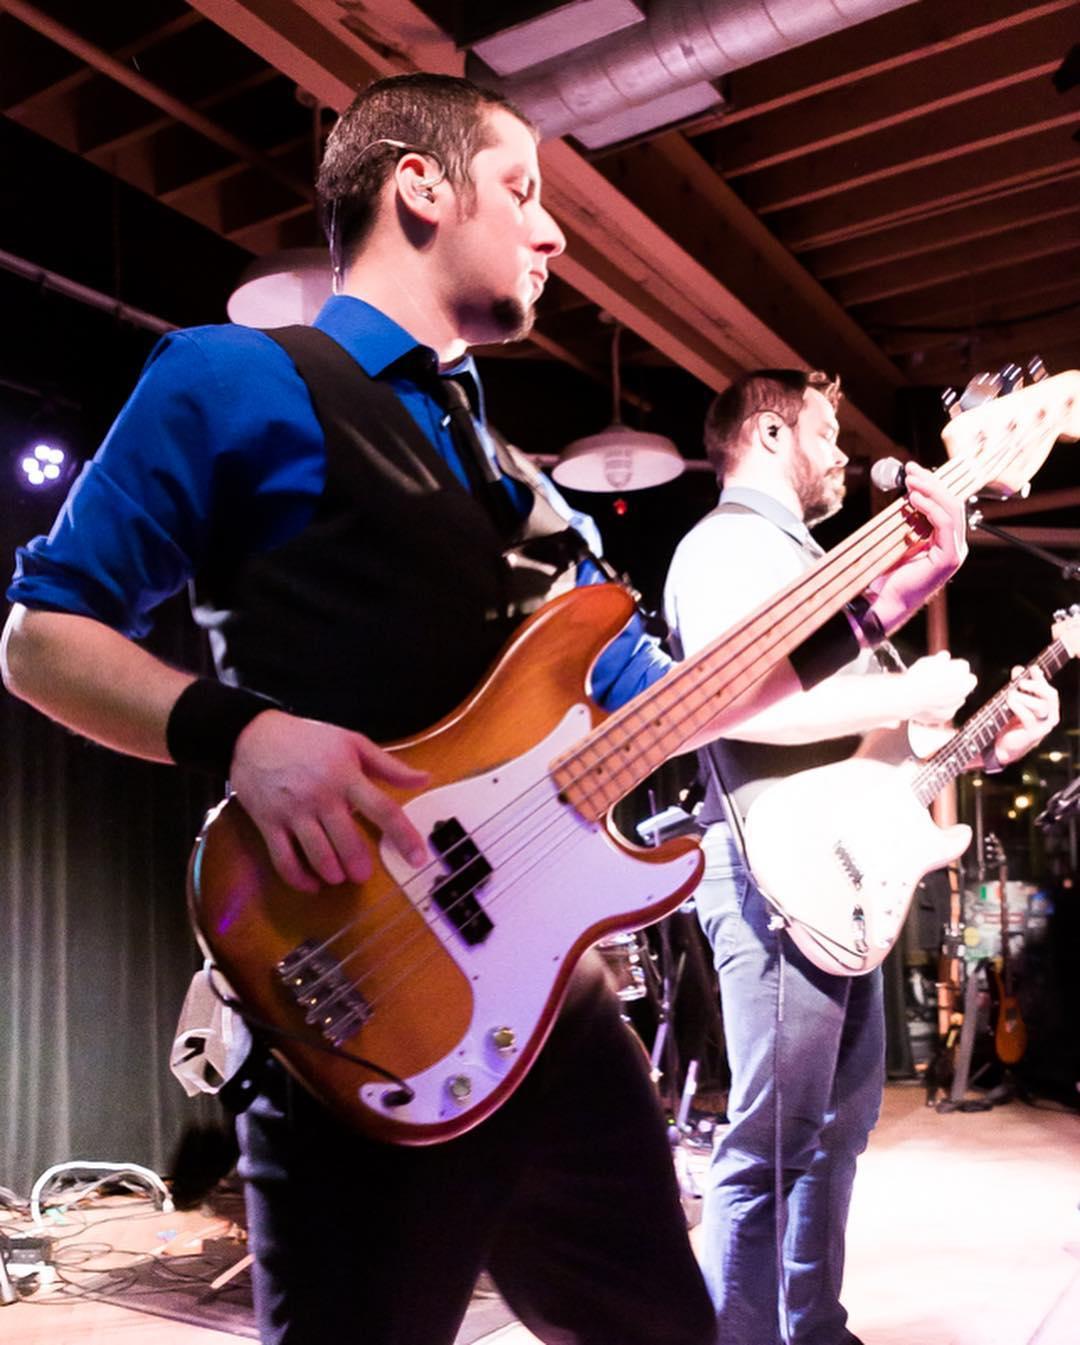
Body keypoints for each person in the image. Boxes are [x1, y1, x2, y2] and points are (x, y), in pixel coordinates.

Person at [0, 71, 997, 1345]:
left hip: (558, 1021)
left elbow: (675, 707)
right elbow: (42, 638)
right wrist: (238, 733)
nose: (555, 231)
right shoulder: (235, 378)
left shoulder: (533, 495)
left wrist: (880, 594)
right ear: (420, 186)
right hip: (363, 1007)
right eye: (522, 190)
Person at [663, 368, 1061, 1345]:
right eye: (826, 431)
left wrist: (990, 741)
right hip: (773, 876)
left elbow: (875, 755)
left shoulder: (810, 561)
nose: (844, 453)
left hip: (836, 873)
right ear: (768, 433)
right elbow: (728, 702)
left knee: (834, 1133)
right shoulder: (728, 545)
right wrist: (903, 694)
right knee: (769, 1145)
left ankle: (814, 1329)